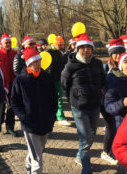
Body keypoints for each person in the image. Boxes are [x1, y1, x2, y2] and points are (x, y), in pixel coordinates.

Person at [61, 33, 105, 174]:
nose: (85, 50)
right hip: (79, 108)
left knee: (91, 135)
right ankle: (86, 169)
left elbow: (103, 81)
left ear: (92, 49)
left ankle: (80, 156)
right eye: (82, 47)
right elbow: (64, 85)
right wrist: (72, 99)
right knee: (85, 139)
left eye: (88, 47)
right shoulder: (70, 66)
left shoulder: (97, 64)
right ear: (77, 48)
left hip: (94, 105)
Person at [11, 47, 57, 173]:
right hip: (30, 124)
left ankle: (28, 162)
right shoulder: (20, 80)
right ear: (28, 63)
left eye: (39, 61)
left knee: (40, 149)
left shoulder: (47, 78)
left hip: (46, 123)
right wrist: (24, 117)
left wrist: (52, 116)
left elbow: (54, 98)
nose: (38, 64)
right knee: (38, 159)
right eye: (35, 62)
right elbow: (14, 102)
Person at [101, 39, 125, 165]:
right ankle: (106, 151)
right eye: (114, 53)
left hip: (117, 109)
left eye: (120, 52)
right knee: (111, 127)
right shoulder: (109, 71)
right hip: (109, 105)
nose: (117, 55)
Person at [47, 36, 71, 126]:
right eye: (59, 45)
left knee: (59, 98)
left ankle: (60, 116)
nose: (60, 46)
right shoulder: (48, 53)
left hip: (58, 79)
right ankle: (50, 115)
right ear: (53, 44)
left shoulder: (60, 53)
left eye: (61, 45)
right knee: (49, 98)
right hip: (49, 80)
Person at [0, 32, 18, 137]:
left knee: (11, 106)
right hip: (1, 84)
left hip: (13, 83)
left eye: (9, 42)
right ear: (2, 43)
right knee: (1, 106)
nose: (8, 44)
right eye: (6, 42)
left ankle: (10, 127)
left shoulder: (15, 53)